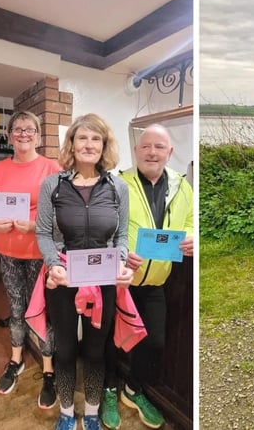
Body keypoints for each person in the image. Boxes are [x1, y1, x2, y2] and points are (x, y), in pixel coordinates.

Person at [36, 113, 134, 430]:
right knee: (65, 351)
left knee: (94, 351)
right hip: (64, 279)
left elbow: (120, 237)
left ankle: (90, 413)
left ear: (104, 145)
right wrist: (53, 264)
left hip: (104, 281)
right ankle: (67, 413)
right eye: (83, 138)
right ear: (72, 144)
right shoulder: (53, 185)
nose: (89, 144)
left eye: (96, 139)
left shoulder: (118, 187)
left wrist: (120, 260)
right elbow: (42, 234)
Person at [100, 124, 193, 429]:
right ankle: (110, 390)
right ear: (136, 151)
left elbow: (191, 221)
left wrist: (193, 238)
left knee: (154, 341)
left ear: (170, 152)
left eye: (159, 147)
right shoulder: (116, 184)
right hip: (120, 282)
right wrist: (120, 252)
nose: (152, 152)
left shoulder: (182, 185)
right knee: (110, 341)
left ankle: (133, 389)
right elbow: (102, 230)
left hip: (156, 282)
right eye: (146, 146)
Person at [0, 111, 60, 402]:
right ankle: (16, 359)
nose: (23, 134)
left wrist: (35, 226)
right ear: (9, 135)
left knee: (41, 310)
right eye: (17, 129)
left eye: (29, 129)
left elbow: (60, 215)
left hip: (38, 251)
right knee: (16, 308)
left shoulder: (52, 168)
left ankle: (49, 368)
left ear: (38, 136)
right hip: (6, 251)